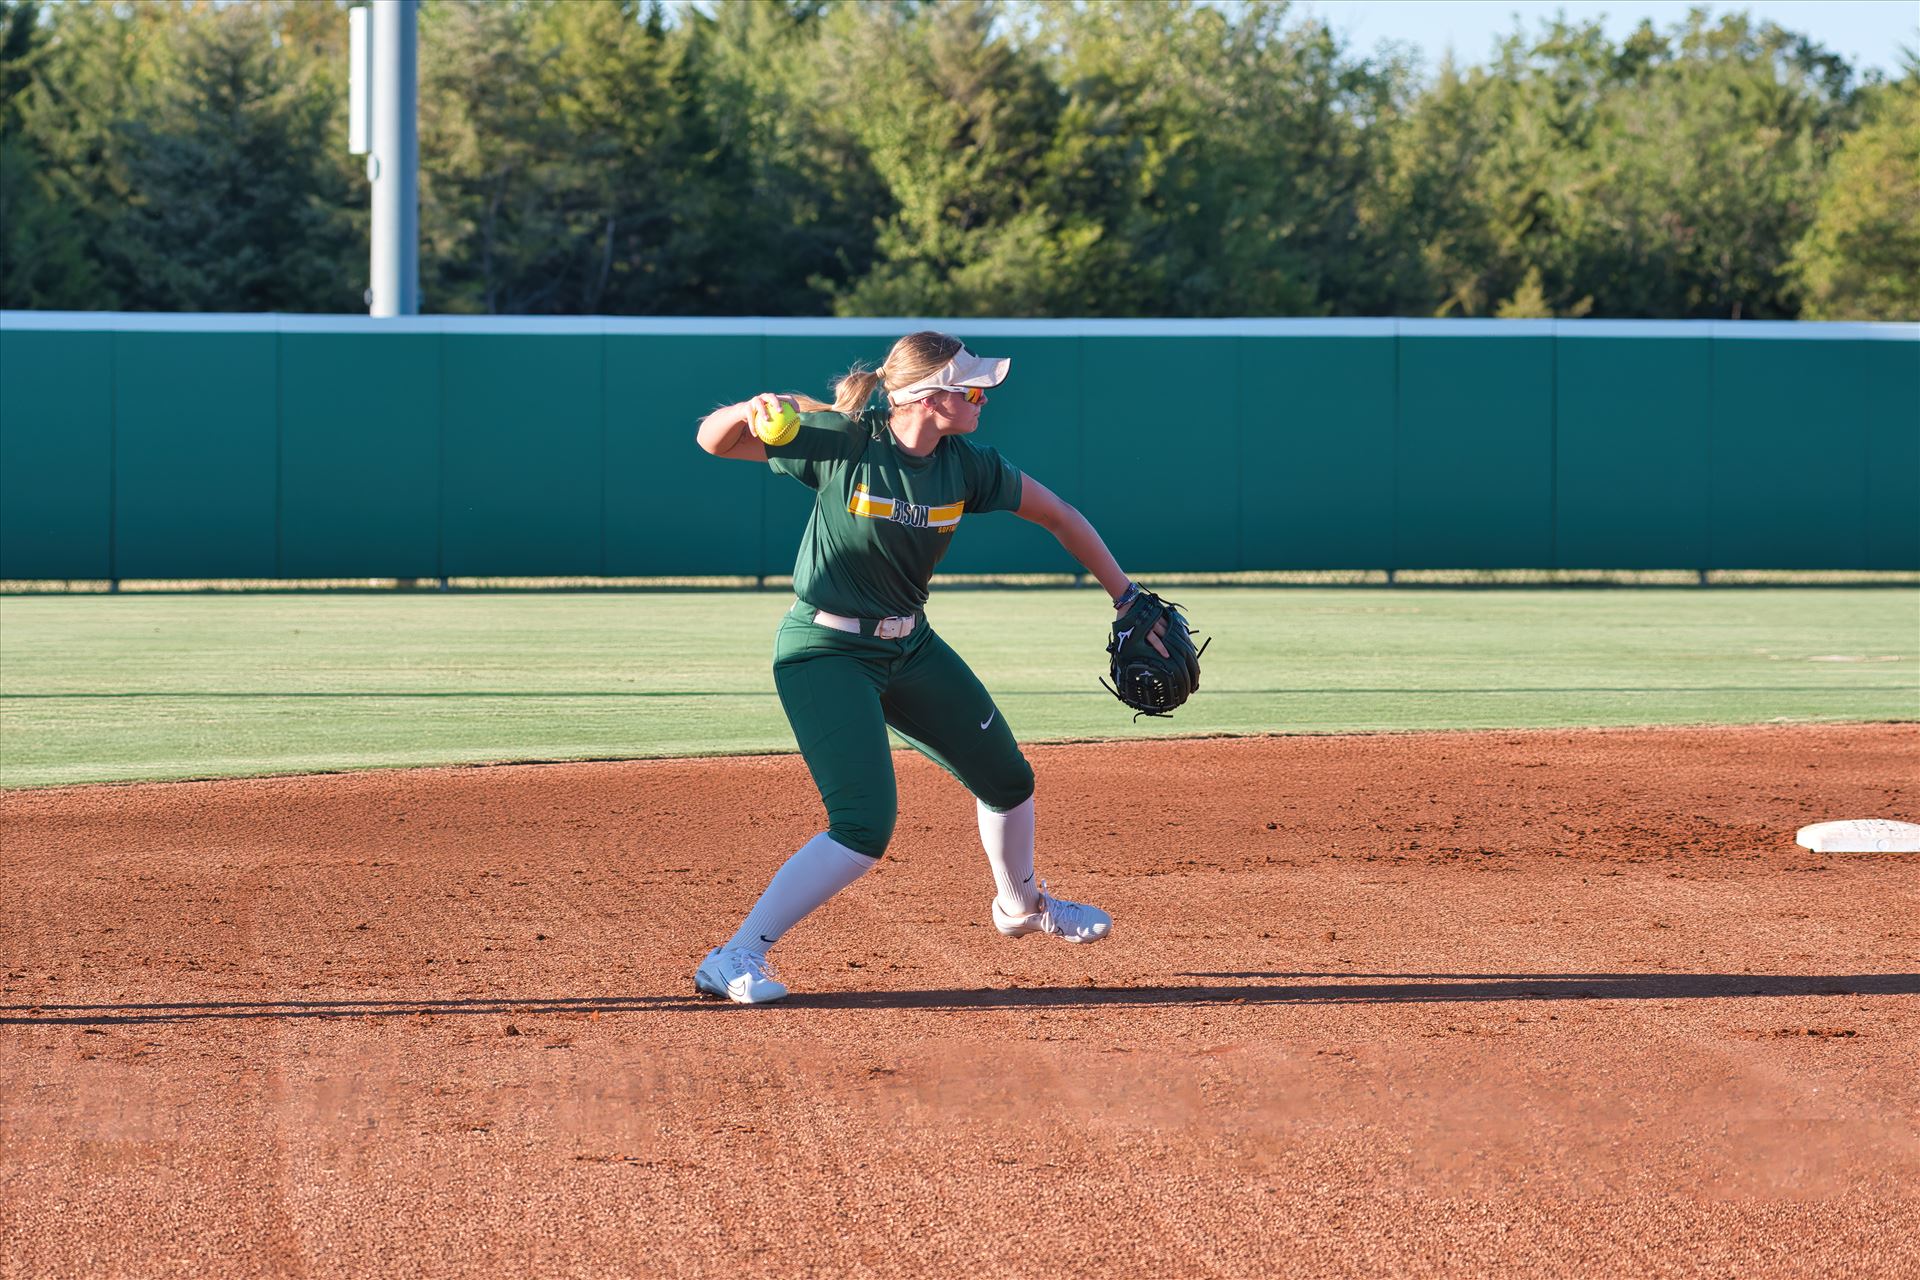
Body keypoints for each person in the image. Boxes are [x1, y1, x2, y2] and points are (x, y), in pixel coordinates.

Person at [691, 331, 1172, 1004]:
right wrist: (747, 409)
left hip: (910, 647)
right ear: (928, 396)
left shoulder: (967, 466)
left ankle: (1021, 906)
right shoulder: (846, 443)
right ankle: (733, 956)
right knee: (863, 824)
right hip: (824, 651)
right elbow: (713, 441)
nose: (984, 398)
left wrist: (1126, 597)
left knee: (1008, 778)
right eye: (972, 387)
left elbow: (1060, 517)